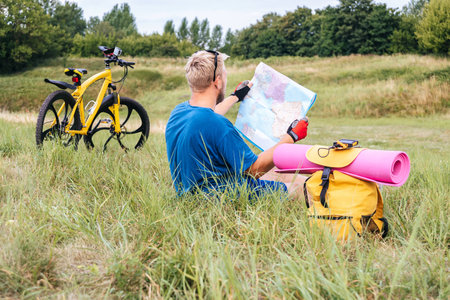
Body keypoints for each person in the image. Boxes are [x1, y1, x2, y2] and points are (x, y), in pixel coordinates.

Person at [165, 50, 308, 200]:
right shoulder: (219, 126)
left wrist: (235, 96)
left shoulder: (179, 112)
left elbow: (206, 116)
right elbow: (255, 170)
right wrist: (291, 137)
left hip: (191, 194)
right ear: (218, 81)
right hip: (223, 196)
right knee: (299, 187)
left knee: (279, 173)